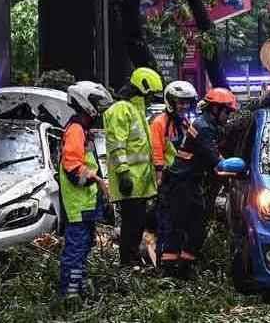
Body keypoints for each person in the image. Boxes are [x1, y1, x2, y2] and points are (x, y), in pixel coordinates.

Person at [165, 87, 238, 279]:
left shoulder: (207, 124)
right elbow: (217, 161)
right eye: (227, 112)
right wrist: (240, 167)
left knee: (195, 225)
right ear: (216, 109)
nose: (228, 117)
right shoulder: (204, 127)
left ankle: (183, 267)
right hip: (182, 183)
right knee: (185, 225)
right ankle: (173, 271)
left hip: (190, 182)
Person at [103, 67, 162, 267]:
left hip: (140, 183)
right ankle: (128, 264)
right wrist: (123, 173)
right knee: (131, 225)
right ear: (142, 89)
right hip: (130, 182)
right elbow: (116, 144)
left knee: (136, 225)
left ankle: (132, 261)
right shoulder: (121, 109)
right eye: (151, 95)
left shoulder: (136, 111)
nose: (151, 99)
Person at [58, 81, 111, 305]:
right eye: (96, 103)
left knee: (84, 246)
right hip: (77, 204)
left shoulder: (82, 129)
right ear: (85, 102)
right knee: (76, 248)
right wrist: (98, 180)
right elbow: (73, 169)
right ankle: (70, 296)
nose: (99, 109)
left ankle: (77, 288)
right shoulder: (76, 130)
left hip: (85, 203)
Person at [152, 80, 197, 274]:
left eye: (187, 102)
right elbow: (157, 151)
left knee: (182, 223)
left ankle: (179, 264)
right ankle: (165, 266)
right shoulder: (160, 123)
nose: (184, 106)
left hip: (184, 181)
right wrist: (160, 176)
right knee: (167, 224)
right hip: (168, 181)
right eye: (181, 102)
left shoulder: (185, 123)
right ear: (171, 102)